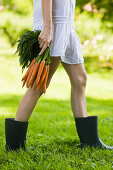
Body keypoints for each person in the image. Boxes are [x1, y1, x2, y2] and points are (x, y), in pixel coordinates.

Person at [5, 0, 113, 151]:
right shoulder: (51, 27)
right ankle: (14, 146)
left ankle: (90, 141)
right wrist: (48, 28)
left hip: (66, 25)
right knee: (38, 85)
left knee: (80, 79)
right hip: (54, 25)